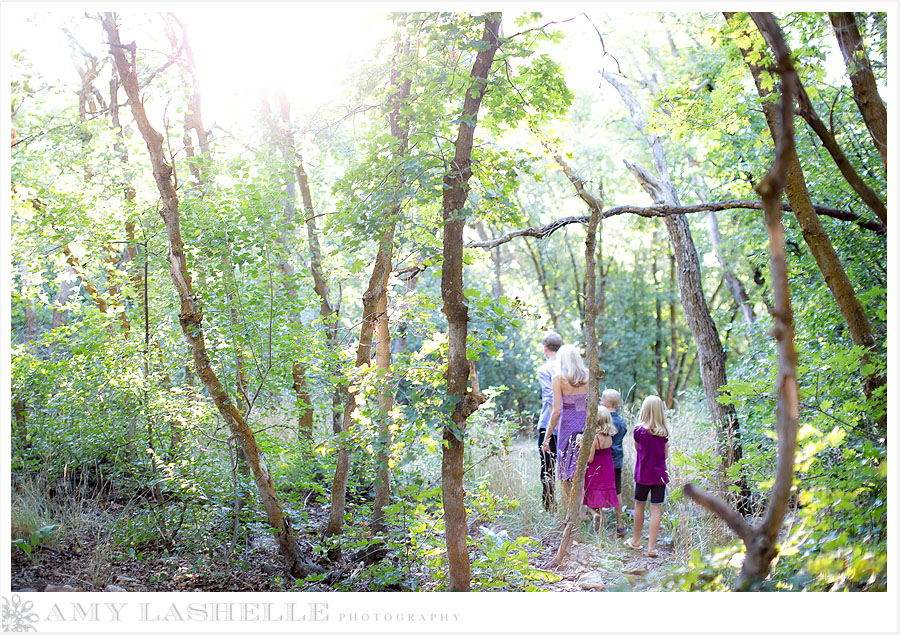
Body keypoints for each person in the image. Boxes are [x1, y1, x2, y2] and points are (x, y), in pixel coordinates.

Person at [542, 344, 589, 509]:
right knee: (582, 470)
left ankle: (571, 515)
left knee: (564, 475)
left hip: (567, 428)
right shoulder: (588, 376)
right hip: (586, 427)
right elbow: (591, 405)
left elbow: (556, 412)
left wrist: (547, 438)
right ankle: (584, 512)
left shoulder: (558, 378)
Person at [626, 395, 669, 557]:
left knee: (639, 506)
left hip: (643, 475)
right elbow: (665, 456)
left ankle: (636, 541)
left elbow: (638, 449)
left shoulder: (638, 431)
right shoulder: (664, 433)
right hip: (659, 477)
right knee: (656, 509)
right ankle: (651, 548)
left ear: (644, 410)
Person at [581, 405, 620, 532]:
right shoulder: (609, 437)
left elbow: (590, 459)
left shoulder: (594, 438)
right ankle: (601, 522)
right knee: (601, 497)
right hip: (607, 470)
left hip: (594, 471)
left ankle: (594, 514)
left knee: (590, 496)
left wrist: (581, 447)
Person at [536, 332, 562, 511]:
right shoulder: (568, 369)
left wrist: (555, 425)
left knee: (547, 467)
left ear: (545, 348)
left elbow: (550, 397)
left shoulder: (544, 370)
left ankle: (549, 507)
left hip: (550, 423)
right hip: (571, 423)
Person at [602, 388, 628, 536]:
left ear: (603, 404)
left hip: (603, 460)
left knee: (598, 488)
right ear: (617, 406)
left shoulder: (602, 421)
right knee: (617, 491)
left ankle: (601, 522)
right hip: (617, 461)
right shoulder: (621, 422)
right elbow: (623, 434)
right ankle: (620, 524)